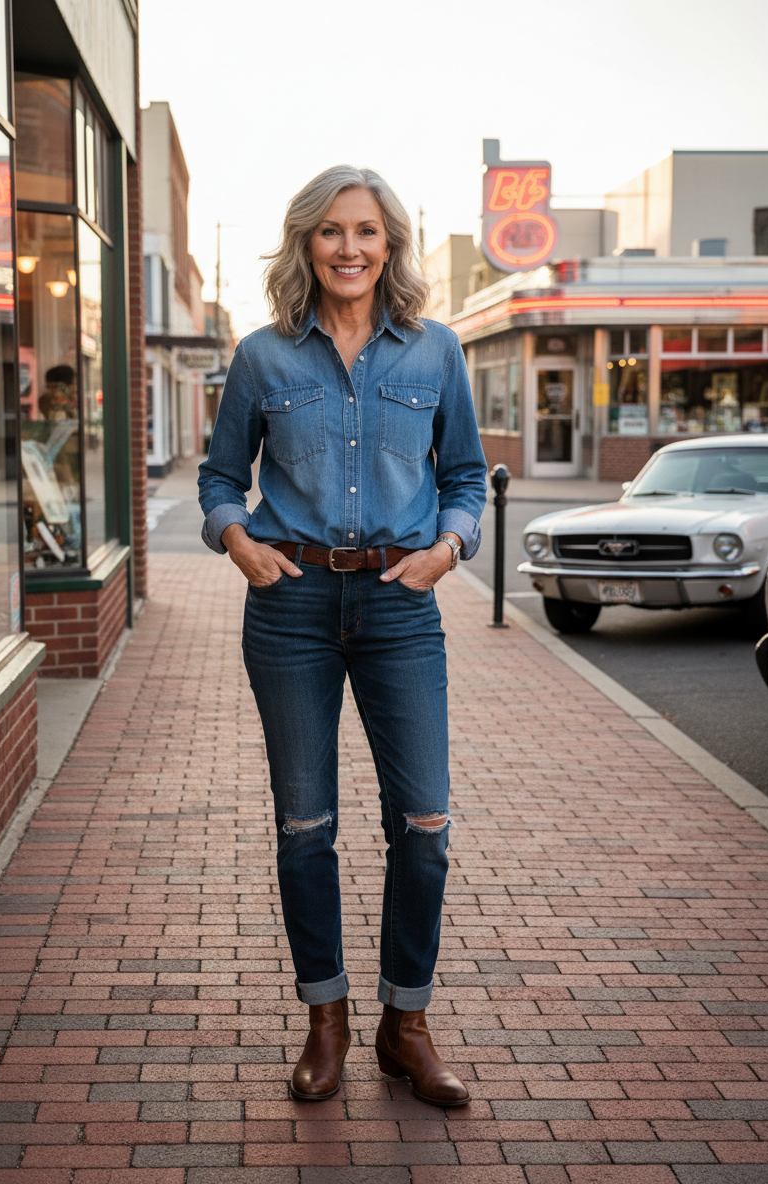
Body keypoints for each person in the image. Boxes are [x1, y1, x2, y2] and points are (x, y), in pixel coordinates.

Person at [198, 165, 488, 1106]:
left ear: (390, 243)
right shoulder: (262, 356)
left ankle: (406, 1025)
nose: (349, 247)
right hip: (291, 608)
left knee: (426, 826)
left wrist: (449, 549)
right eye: (330, 231)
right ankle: (326, 1018)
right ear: (306, 244)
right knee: (304, 827)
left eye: (365, 230)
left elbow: (467, 477)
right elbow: (218, 478)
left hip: (402, 607)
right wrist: (237, 540)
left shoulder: (436, 351)